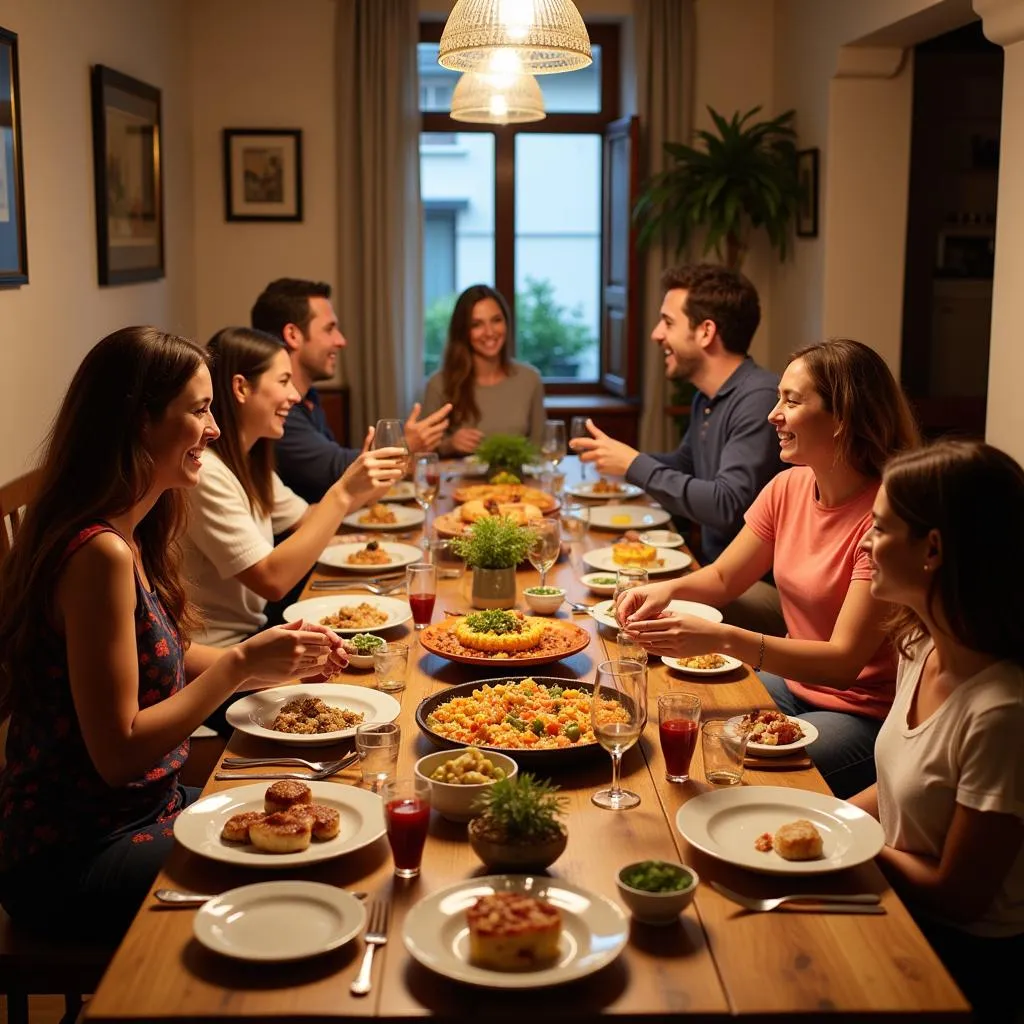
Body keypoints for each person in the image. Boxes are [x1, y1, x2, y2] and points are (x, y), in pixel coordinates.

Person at [0, 327, 347, 942]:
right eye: (199, 410)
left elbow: (164, 650)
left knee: (317, 815)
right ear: (141, 422)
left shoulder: (134, 523)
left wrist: (279, 661)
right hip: (77, 851)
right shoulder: (97, 554)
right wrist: (239, 666)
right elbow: (119, 753)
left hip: (148, 806)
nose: (214, 430)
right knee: (304, 872)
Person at [617, 339, 920, 798]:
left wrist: (723, 638)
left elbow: (842, 663)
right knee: (672, 718)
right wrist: (664, 589)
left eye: (791, 401)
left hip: (860, 713)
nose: (772, 415)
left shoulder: (882, 518)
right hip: (793, 686)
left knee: (726, 765)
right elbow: (723, 578)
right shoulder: (788, 487)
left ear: (842, 419)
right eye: (778, 397)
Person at [851, 441, 1024, 1023]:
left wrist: (847, 842)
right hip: (897, 905)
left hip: (961, 962)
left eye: (878, 529)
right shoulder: (919, 645)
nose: (865, 545)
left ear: (932, 549)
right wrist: (820, 816)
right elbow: (899, 788)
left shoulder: (1002, 711)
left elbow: (960, 895)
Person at [570, 264, 786, 634]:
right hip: (710, 569)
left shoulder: (759, 399)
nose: (657, 334)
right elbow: (685, 466)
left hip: (756, 586)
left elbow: (725, 505)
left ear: (706, 332)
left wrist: (635, 464)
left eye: (667, 322)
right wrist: (620, 460)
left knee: (615, 609)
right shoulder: (708, 397)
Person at [183, 327, 406, 651]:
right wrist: (343, 491)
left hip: (251, 639)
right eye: (284, 381)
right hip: (218, 655)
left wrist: (370, 482)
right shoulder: (207, 472)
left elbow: (308, 518)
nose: (296, 397)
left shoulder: (246, 461)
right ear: (242, 388)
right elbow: (272, 580)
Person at [251, 277, 451, 503]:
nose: (341, 340)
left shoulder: (309, 398)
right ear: (293, 335)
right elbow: (335, 472)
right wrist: (405, 445)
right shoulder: (278, 410)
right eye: (330, 329)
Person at [421, 284, 546, 455]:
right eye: (476, 324)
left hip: (518, 481)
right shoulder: (439, 384)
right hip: (459, 481)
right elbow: (422, 453)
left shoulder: (530, 379)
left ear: (507, 323)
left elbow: (540, 449)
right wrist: (450, 444)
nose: (489, 332)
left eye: (496, 320)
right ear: (463, 331)